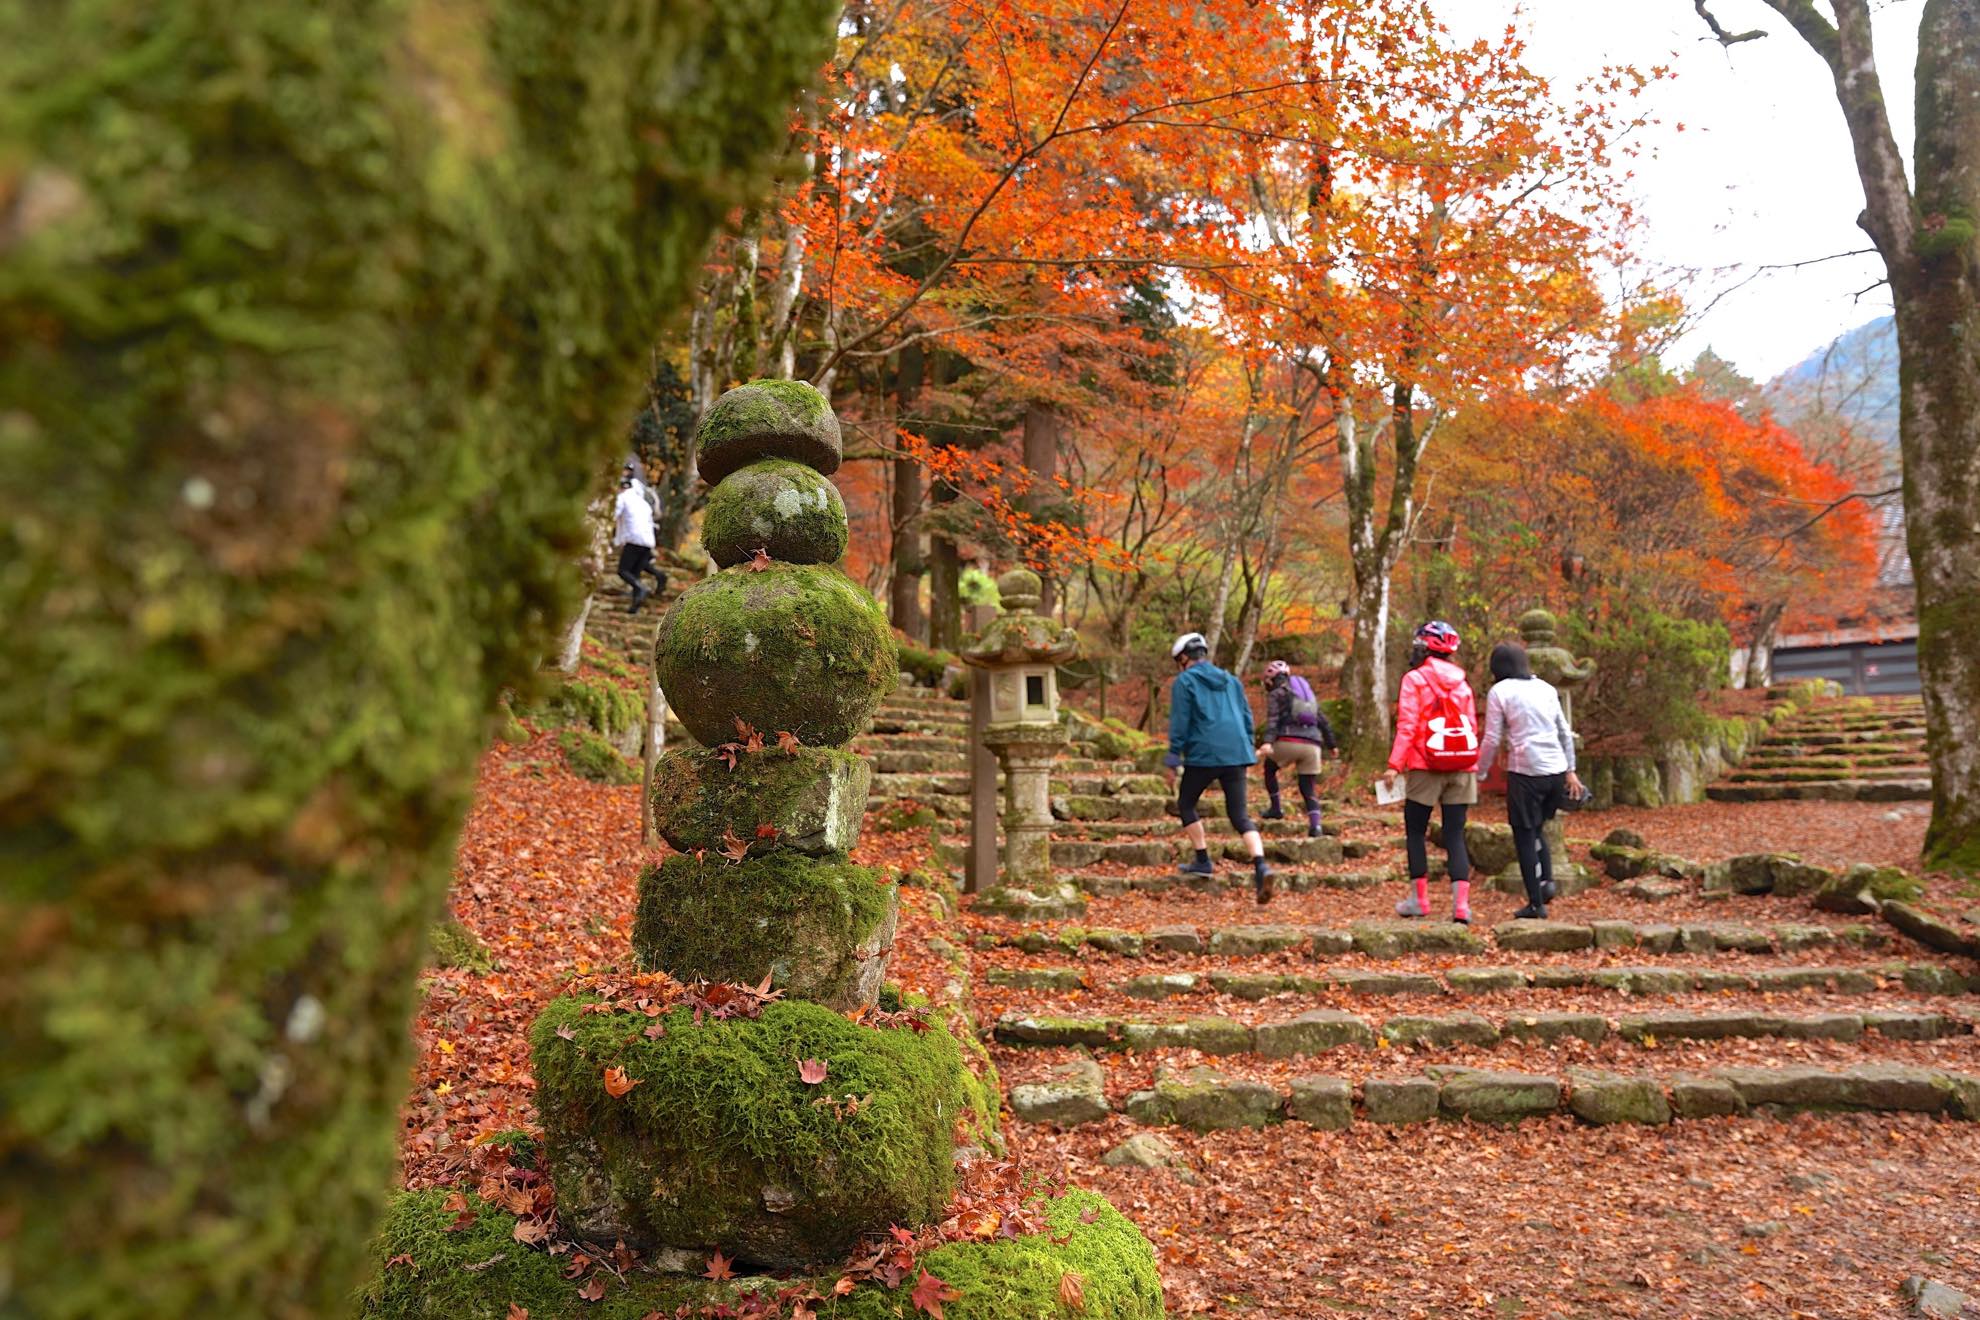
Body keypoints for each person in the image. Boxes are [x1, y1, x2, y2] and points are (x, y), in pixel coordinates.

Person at [1164, 632, 1276, 903]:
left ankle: (1203, 859)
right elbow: (1247, 716)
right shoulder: (1231, 680)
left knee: (1186, 802)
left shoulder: (1185, 681)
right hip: (1236, 752)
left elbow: (1181, 721)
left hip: (1204, 753)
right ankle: (1261, 865)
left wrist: (1172, 758)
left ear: (1183, 658)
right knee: (1239, 815)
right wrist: (1247, 745)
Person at [1380, 621, 1480, 923]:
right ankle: (1461, 907)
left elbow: (1408, 725)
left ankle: (1419, 900)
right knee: (1454, 834)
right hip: (1462, 766)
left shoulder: (1415, 679)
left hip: (1426, 764)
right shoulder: (1463, 684)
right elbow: (1471, 727)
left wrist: (1395, 764)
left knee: (1415, 831)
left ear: (1423, 648)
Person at [1477, 640, 1584, 920]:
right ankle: (1546, 881)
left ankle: (1536, 903)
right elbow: (1564, 730)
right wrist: (1571, 770)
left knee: (1524, 835)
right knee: (1538, 829)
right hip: (1556, 772)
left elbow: (1491, 737)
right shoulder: (1546, 688)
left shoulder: (1500, 691)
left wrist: (1480, 770)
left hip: (1526, 771)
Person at [1256, 659, 1338, 838]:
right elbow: (1323, 720)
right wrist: (1332, 745)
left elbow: (1273, 721)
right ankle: (1316, 827)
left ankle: (1276, 808)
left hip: (1288, 742)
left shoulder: (1276, 694)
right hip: (1313, 746)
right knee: (1308, 787)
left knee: (1270, 769)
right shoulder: (1306, 695)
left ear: (1271, 679)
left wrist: (1268, 742)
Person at [613, 475, 667, 612]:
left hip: (634, 539)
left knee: (623, 570)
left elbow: (614, 514)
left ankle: (640, 588)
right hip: (648, 541)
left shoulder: (623, 497)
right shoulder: (643, 503)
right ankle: (634, 606)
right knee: (636, 572)